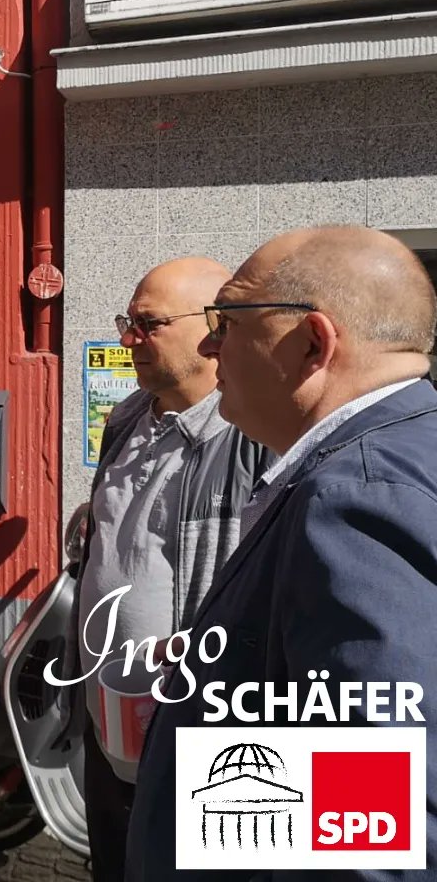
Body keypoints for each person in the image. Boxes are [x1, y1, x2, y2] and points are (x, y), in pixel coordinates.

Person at [127, 225, 437, 879]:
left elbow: (377, 825)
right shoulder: (406, 449)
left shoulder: (355, 497)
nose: (210, 345)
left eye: (228, 321)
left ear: (313, 344)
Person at [76, 257, 270, 882]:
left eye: (149, 324)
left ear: (215, 329)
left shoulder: (256, 434)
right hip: (109, 730)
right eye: (126, 323)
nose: (129, 339)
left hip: (204, 741)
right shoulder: (126, 418)